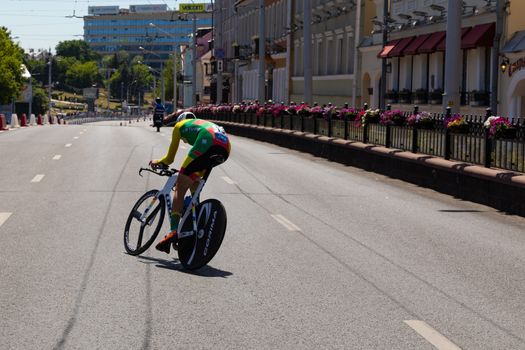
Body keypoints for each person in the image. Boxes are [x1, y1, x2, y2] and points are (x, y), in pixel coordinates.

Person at [150, 111, 231, 253]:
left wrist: (158, 161)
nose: (184, 141)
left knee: (180, 188)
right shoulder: (201, 124)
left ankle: (173, 231)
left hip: (208, 141)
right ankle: (194, 218)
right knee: (194, 183)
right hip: (225, 148)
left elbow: (169, 159)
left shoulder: (179, 126)